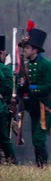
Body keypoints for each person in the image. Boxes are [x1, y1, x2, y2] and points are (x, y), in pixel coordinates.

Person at [17, 22, 51, 167]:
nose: (25, 50)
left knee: (39, 139)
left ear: (35, 49)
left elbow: (50, 87)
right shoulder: (25, 66)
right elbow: (20, 86)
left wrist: (30, 88)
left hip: (44, 106)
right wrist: (21, 88)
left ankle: (43, 167)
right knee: (35, 139)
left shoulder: (47, 65)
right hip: (32, 107)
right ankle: (40, 166)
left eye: (27, 47)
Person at [0, 35, 17, 165]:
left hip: (2, 108)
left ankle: (12, 163)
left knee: (4, 139)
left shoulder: (5, 70)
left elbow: (7, 90)